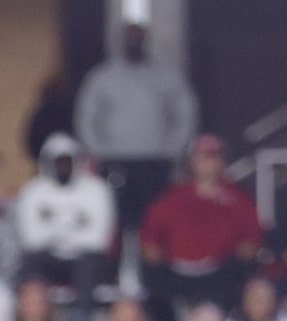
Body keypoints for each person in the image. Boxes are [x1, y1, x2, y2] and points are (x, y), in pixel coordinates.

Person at [75, 22, 197, 247]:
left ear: (145, 41)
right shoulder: (103, 77)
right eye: (129, 38)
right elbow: (86, 117)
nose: (134, 43)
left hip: (155, 161)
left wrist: (173, 148)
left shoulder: (165, 75)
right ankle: (114, 276)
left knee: (153, 218)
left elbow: (185, 112)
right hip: (116, 161)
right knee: (115, 219)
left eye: (138, 38)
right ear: (122, 42)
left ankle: (149, 273)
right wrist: (98, 151)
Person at [141, 135, 261, 321]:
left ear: (222, 161)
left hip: (218, 272)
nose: (207, 162)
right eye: (201, 157)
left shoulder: (237, 198)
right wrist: (156, 256)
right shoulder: (173, 197)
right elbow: (150, 238)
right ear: (192, 162)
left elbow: (252, 239)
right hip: (177, 271)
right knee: (153, 282)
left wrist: (237, 257)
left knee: (243, 275)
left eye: (212, 157)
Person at [15, 133, 116, 303]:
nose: (63, 167)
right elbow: (29, 238)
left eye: (67, 161)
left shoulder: (96, 189)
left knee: (89, 262)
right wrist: (73, 226)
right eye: (58, 162)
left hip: (87, 261)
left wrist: (53, 230)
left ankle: (82, 318)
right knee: (30, 262)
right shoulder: (33, 191)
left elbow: (99, 239)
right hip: (48, 259)